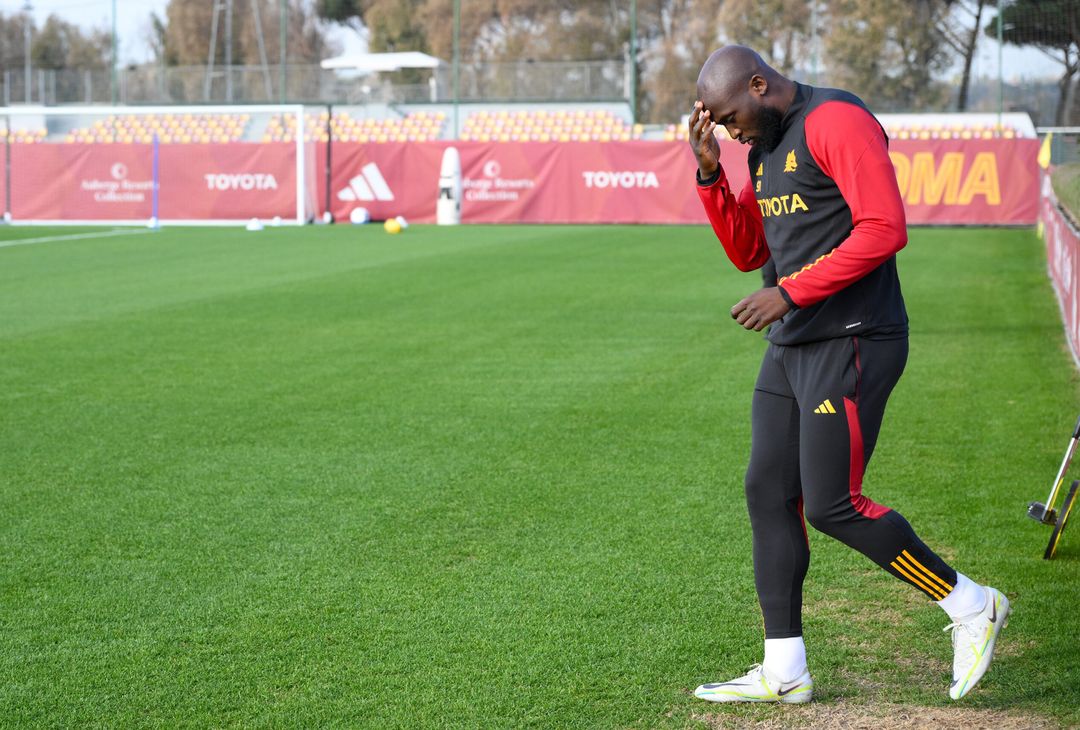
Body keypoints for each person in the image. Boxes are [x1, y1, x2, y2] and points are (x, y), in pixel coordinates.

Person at [687, 45, 1009, 704]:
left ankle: (972, 604)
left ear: (759, 84)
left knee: (834, 505)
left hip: (855, 339)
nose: (730, 130)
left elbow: (885, 228)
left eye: (729, 118)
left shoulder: (836, 120)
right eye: (719, 126)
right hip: (794, 344)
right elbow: (752, 250)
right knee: (767, 491)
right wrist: (710, 174)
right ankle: (785, 671)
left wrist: (792, 292)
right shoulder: (761, 149)